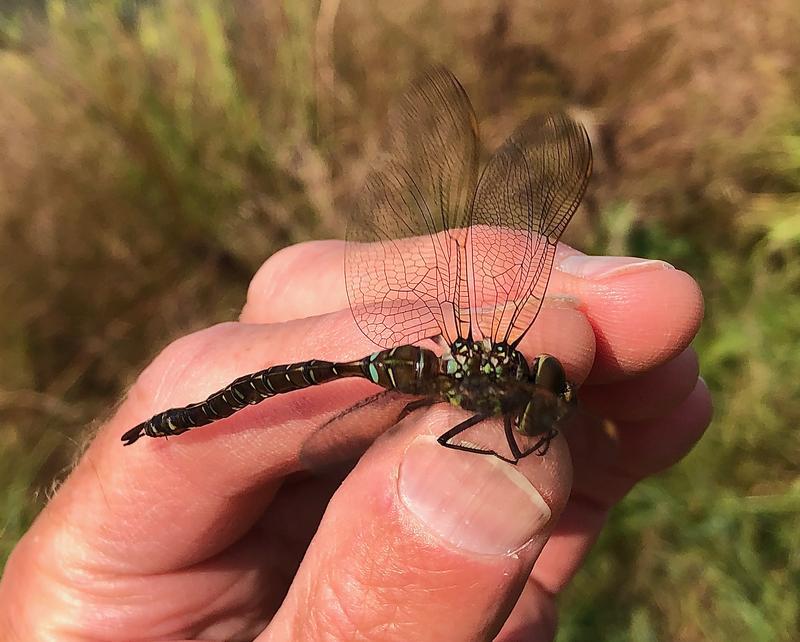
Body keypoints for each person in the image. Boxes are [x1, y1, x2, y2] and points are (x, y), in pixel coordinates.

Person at [0, 240, 712, 641]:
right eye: (547, 388)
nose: (551, 393)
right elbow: (477, 444)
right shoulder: (503, 381)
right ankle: (177, 422)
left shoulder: (497, 370)